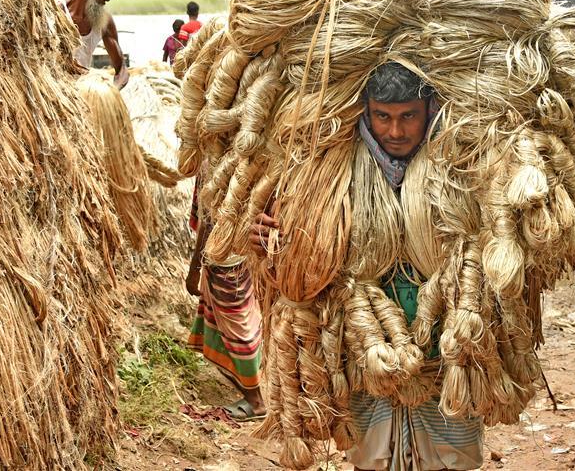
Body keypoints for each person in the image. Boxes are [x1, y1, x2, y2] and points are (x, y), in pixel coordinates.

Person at [250, 62, 483, 471]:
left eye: (408, 116)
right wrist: (268, 240)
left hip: (444, 346)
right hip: (363, 345)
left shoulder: (459, 162)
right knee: (371, 457)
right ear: (365, 112)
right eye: (383, 117)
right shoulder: (330, 170)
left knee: (453, 460)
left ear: (429, 108)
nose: (395, 132)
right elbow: (299, 255)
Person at [186, 177, 265, 421]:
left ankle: (256, 402)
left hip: (228, 259)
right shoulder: (232, 156)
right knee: (241, 322)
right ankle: (256, 393)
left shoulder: (224, 162)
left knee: (238, 326)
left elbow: (210, 218)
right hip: (238, 254)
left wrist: (195, 268)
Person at [63, 0, 128, 87]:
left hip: (84, 93)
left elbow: (121, 69)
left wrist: (112, 92)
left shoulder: (105, 22)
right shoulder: (57, 14)